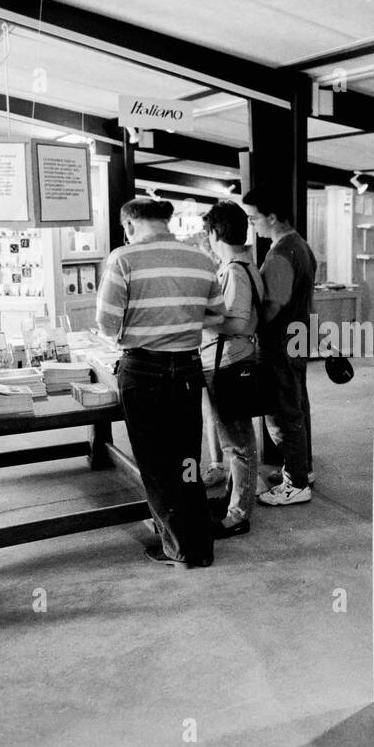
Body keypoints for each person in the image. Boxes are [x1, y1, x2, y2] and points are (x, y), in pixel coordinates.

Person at [97, 197, 224, 568]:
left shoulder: (123, 258)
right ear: (167, 223)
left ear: (130, 225)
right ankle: (199, 545)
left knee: (155, 464)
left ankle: (178, 549)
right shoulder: (201, 259)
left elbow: (106, 324)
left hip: (143, 371)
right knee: (186, 460)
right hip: (187, 369)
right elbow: (216, 314)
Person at [243, 186, 316, 507]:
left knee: (284, 412)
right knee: (298, 406)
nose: (252, 224)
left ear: (272, 217)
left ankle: (296, 483)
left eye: (254, 218)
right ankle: (301, 469)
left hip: (280, 343)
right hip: (298, 338)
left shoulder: (281, 254)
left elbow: (272, 304)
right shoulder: (301, 245)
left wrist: (248, 326)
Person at [199, 201, 265, 539]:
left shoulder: (236, 270)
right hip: (228, 361)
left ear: (214, 233)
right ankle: (232, 503)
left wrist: (201, 317)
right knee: (235, 441)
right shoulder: (243, 266)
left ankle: (238, 514)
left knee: (238, 444)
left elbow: (238, 322)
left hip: (229, 362)